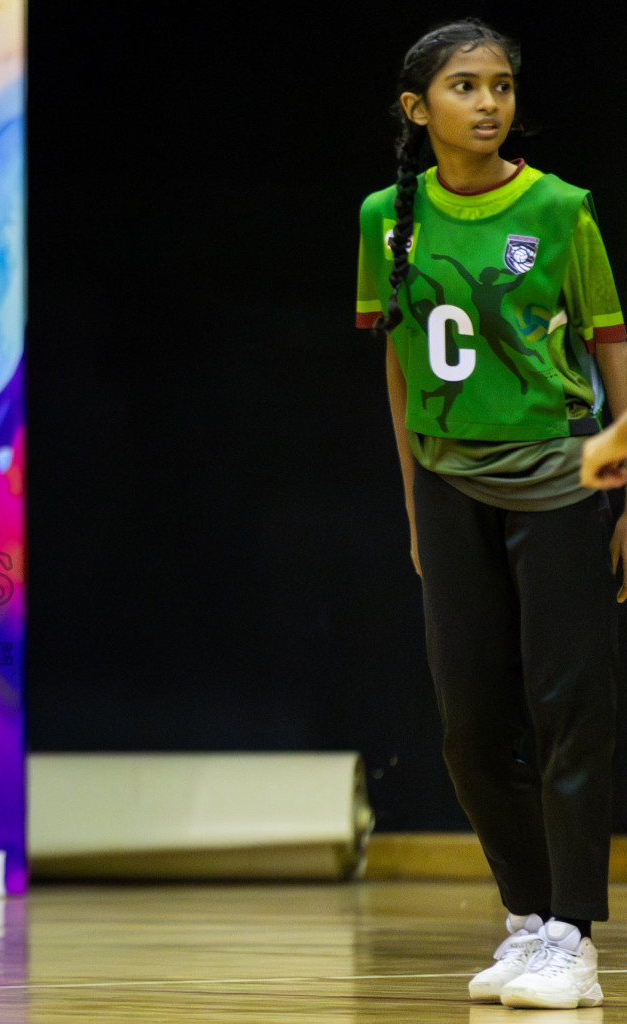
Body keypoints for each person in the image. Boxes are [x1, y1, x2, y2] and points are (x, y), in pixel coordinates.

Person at [357, 18, 627, 1011]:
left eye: (501, 85)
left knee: (569, 711)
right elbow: (399, 366)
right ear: (416, 108)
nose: (487, 103)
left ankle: (573, 937)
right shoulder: (385, 218)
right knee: (469, 724)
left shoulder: (560, 208)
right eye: (465, 86)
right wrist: (413, 502)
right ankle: (529, 915)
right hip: (447, 482)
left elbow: (611, 346)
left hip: (561, 478)